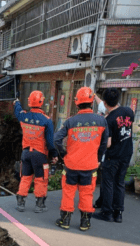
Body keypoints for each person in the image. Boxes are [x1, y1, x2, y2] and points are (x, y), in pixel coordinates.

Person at [54, 87, 109, 231]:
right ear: (92, 102)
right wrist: (97, 159)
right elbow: (104, 144)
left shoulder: (70, 121)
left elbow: (56, 139)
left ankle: (65, 220)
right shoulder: (102, 121)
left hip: (71, 165)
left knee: (68, 192)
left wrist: (64, 154)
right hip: (90, 166)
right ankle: (85, 223)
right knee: (86, 193)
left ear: (77, 103)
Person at [93, 88, 134, 223]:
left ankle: (107, 212)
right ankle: (118, 213)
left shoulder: (108, 120)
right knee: (119, 183)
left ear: (105, 103)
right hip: (127, 153)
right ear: (118, 100)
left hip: (113, 156)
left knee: (109, 183)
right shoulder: (128, 111)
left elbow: (108, 144)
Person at [14, 91, 58, 213]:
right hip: (40, 155)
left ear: (29, 102)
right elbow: (50, 141)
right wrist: (54, 154)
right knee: (40, 179)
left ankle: (21, 202)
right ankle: (39, 205)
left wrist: (17, 102)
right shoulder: (47, 120)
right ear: (42, 102)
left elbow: (17, 111)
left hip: (26, 153)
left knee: (25, 177)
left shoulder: (24, 117)